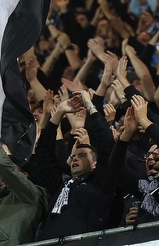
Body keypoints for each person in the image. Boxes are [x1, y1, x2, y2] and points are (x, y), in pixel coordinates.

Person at [34, 90, 115, 238]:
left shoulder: (101, 184)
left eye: (82, 155)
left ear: (95, 164)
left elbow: (106, 145)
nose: (75, 158)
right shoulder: (59, 183)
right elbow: (43, 153)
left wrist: (90, 104)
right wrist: (59, 112)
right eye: (74, 156)